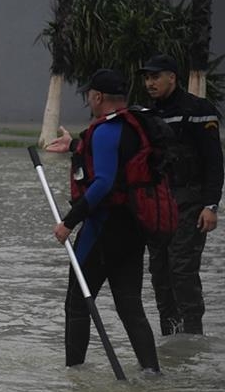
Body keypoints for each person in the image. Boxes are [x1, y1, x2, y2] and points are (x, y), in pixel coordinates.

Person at [48, 69, 160, 372]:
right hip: (133, 228)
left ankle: (75, 375)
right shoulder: (133, 127)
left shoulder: (106, 130)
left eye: (89, 95)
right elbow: (118, 164)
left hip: (103, 227)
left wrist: (69, 222)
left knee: (77, 302)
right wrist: (73, 146)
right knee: (130, 306)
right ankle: (152, 372)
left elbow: (104, 182)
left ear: (97, 97)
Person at [138, 54, 222, 335]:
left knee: (182, 269)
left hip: (191, 203)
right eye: (147, 78)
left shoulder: (199, 111)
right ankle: (170, 337)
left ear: (171, 78)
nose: (150, 83)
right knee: (160, 273)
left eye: (155, 77)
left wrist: (211, 205)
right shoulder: (147, 115)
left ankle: (192, 337)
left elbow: (214, 162)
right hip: (158, 205)